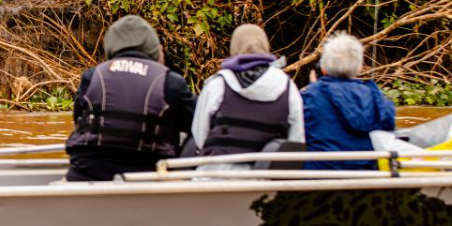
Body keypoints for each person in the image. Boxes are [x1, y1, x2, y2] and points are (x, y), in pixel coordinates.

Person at [65, 15, 197, 181]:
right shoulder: (170, 82)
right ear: (155, 49)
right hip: (149, 175)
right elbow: (199, 125)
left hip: (86, 173)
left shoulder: (92, 76)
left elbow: (78, 119)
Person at [191, 24, 304, 172]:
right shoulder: (287, 86)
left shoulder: (217, 84)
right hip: (263, 178)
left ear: (234, 47)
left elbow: (199, 134)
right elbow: (297, 138)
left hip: (217, 175)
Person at [302, 32, 395, 171]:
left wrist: (314, 88)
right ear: (359, 68)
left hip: (319, 174)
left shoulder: (310, 95)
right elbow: (388, 125)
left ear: (323, 67)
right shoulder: (373, 95)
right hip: (364, 173)